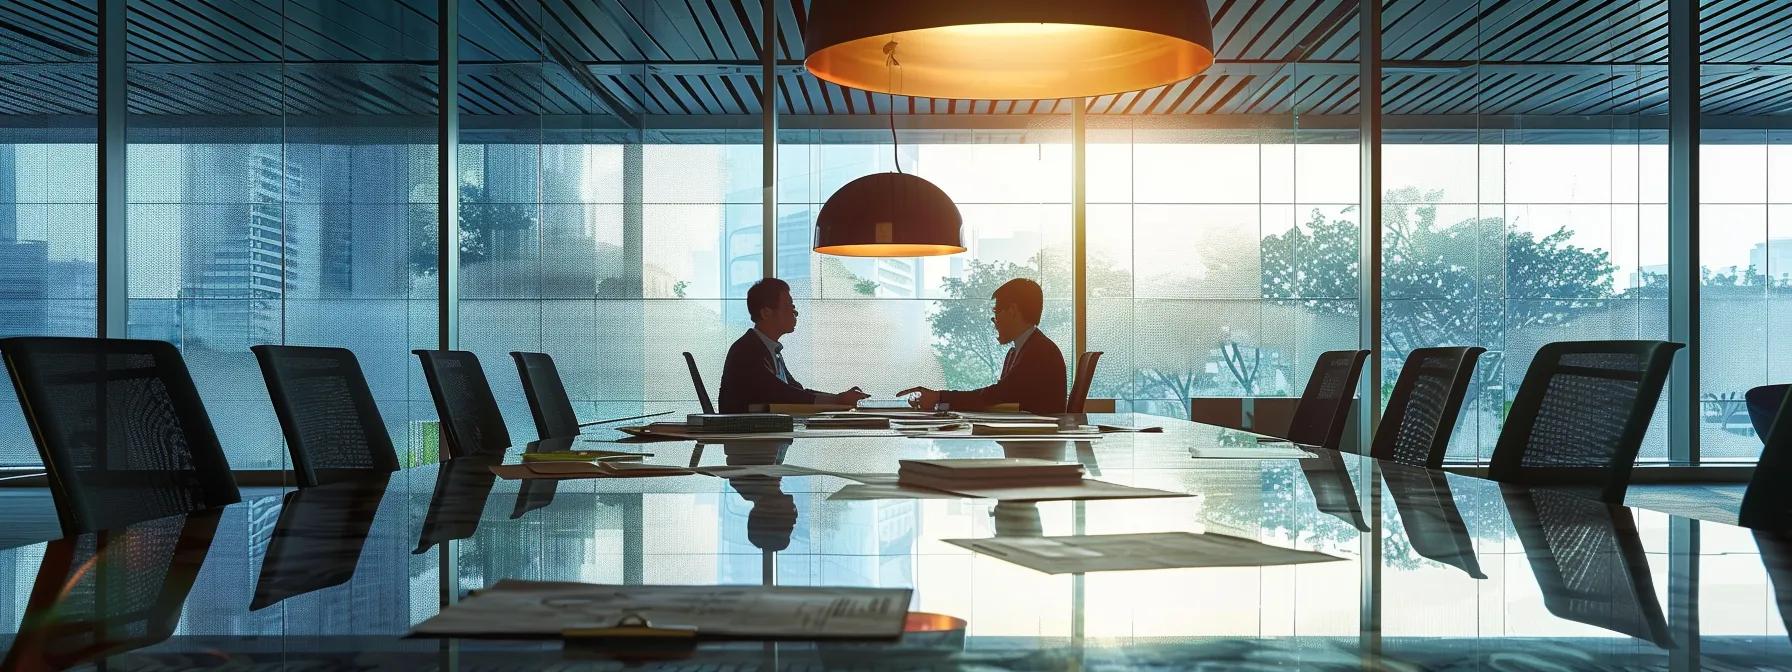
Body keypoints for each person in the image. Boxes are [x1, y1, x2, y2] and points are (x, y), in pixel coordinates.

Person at [898, 278, 1067, 414]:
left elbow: (996, 396)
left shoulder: (1040, 353)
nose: (995, 322)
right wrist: (941, 399)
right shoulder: (1020, 350)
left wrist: (939, 397)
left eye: (995, 313)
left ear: (1012, 311)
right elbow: (997, 398)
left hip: (1037, 445)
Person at [718, 278, 869, 413]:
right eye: (789, 307)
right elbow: (781, 394)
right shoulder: (747, 350)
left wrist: (838, 398)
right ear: (766, 313)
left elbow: (796, 390)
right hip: (746, 439)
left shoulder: (768, 348)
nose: (795, 313)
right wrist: (836, 400)